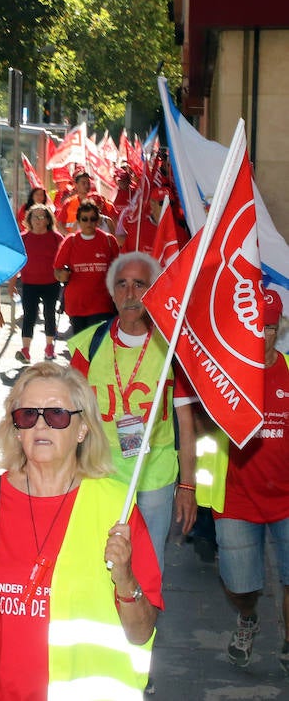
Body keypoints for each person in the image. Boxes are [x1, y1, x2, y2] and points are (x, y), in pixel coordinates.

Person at [0, 362, 162, 699]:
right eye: (27, 415)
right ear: (16, 429)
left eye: (57, 415)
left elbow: (141, 632)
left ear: (82, 429)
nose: (40, 425)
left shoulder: (116, 507)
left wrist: (124, 579)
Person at [68, 252, 197, 568]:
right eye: (121, 285)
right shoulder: (88, 345)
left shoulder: (173, 348)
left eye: (140, 284)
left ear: (154, 291)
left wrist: (188, 485)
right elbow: (68, 416)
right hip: (100, 471)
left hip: (155, 473)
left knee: (149, 562)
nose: (130, 294)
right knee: (100, 561)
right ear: (111, 293)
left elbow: (185, 422)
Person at [209, 289, 289, 671]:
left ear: (279, 329)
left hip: (286, 499)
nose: (262, 335)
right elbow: (202, 428)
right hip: (236, 498)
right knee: (240, 587)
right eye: (255, 326)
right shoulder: (224, 372)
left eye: (269, 327)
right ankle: (247, 617)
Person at [8, 204, 64, 363]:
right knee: (29, 316)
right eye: (35, 217)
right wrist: (12, 284)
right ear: (29, 219)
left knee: (49, 314)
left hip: (51, 283)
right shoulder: (23, 238)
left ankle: (49, 347)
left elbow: (64, 261)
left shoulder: (56, 238)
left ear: (48, 220)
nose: (39, 220)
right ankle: (25, 351)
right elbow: (16, 263)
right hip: (29, 284)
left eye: (42, 217)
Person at [53, 201, 119, 335]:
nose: (89, 222)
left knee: (96, 343)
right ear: (78, 221)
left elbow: (119, 269)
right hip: (77, 305)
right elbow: (57, 270)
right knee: (81, 344)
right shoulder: (70, 241)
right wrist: (62, 275)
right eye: (84, 219)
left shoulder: (109, 241)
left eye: (93, 219)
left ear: (98, 220)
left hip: (102, 304)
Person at [116, 186, 167, 255]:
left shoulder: (177, 230)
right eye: (162, 203)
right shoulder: (138, 228)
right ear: (152, 203)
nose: (167, 206)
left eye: (170, 203)